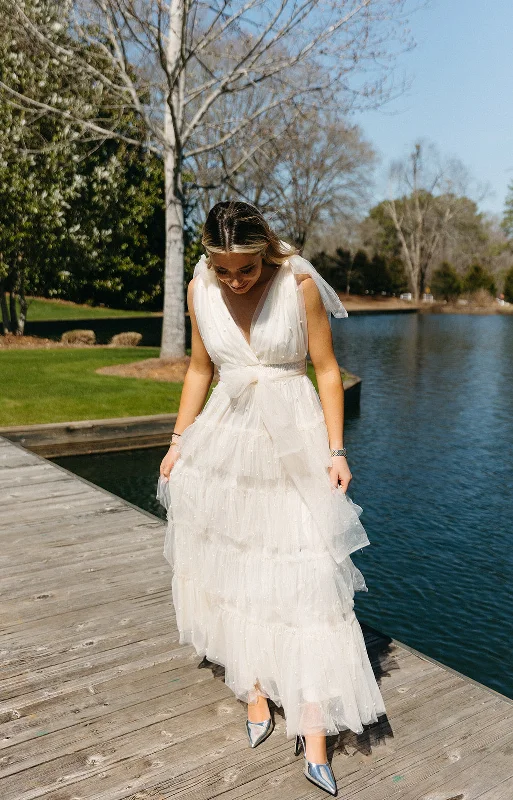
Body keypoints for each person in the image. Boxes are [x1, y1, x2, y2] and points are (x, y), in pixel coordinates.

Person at [157, 201, 386, 796]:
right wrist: (179, 441)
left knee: (310, 579)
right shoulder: (198, 288)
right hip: (225, 443)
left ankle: (314, 731)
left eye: (246, 269)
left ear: (267, 252)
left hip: (294, 441)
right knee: (234, 568)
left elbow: (328, 370)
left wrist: (337, 451)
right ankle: (254, 690)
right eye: (224, 268)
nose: (234, 280)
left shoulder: (299, 284)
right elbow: (199, 370)